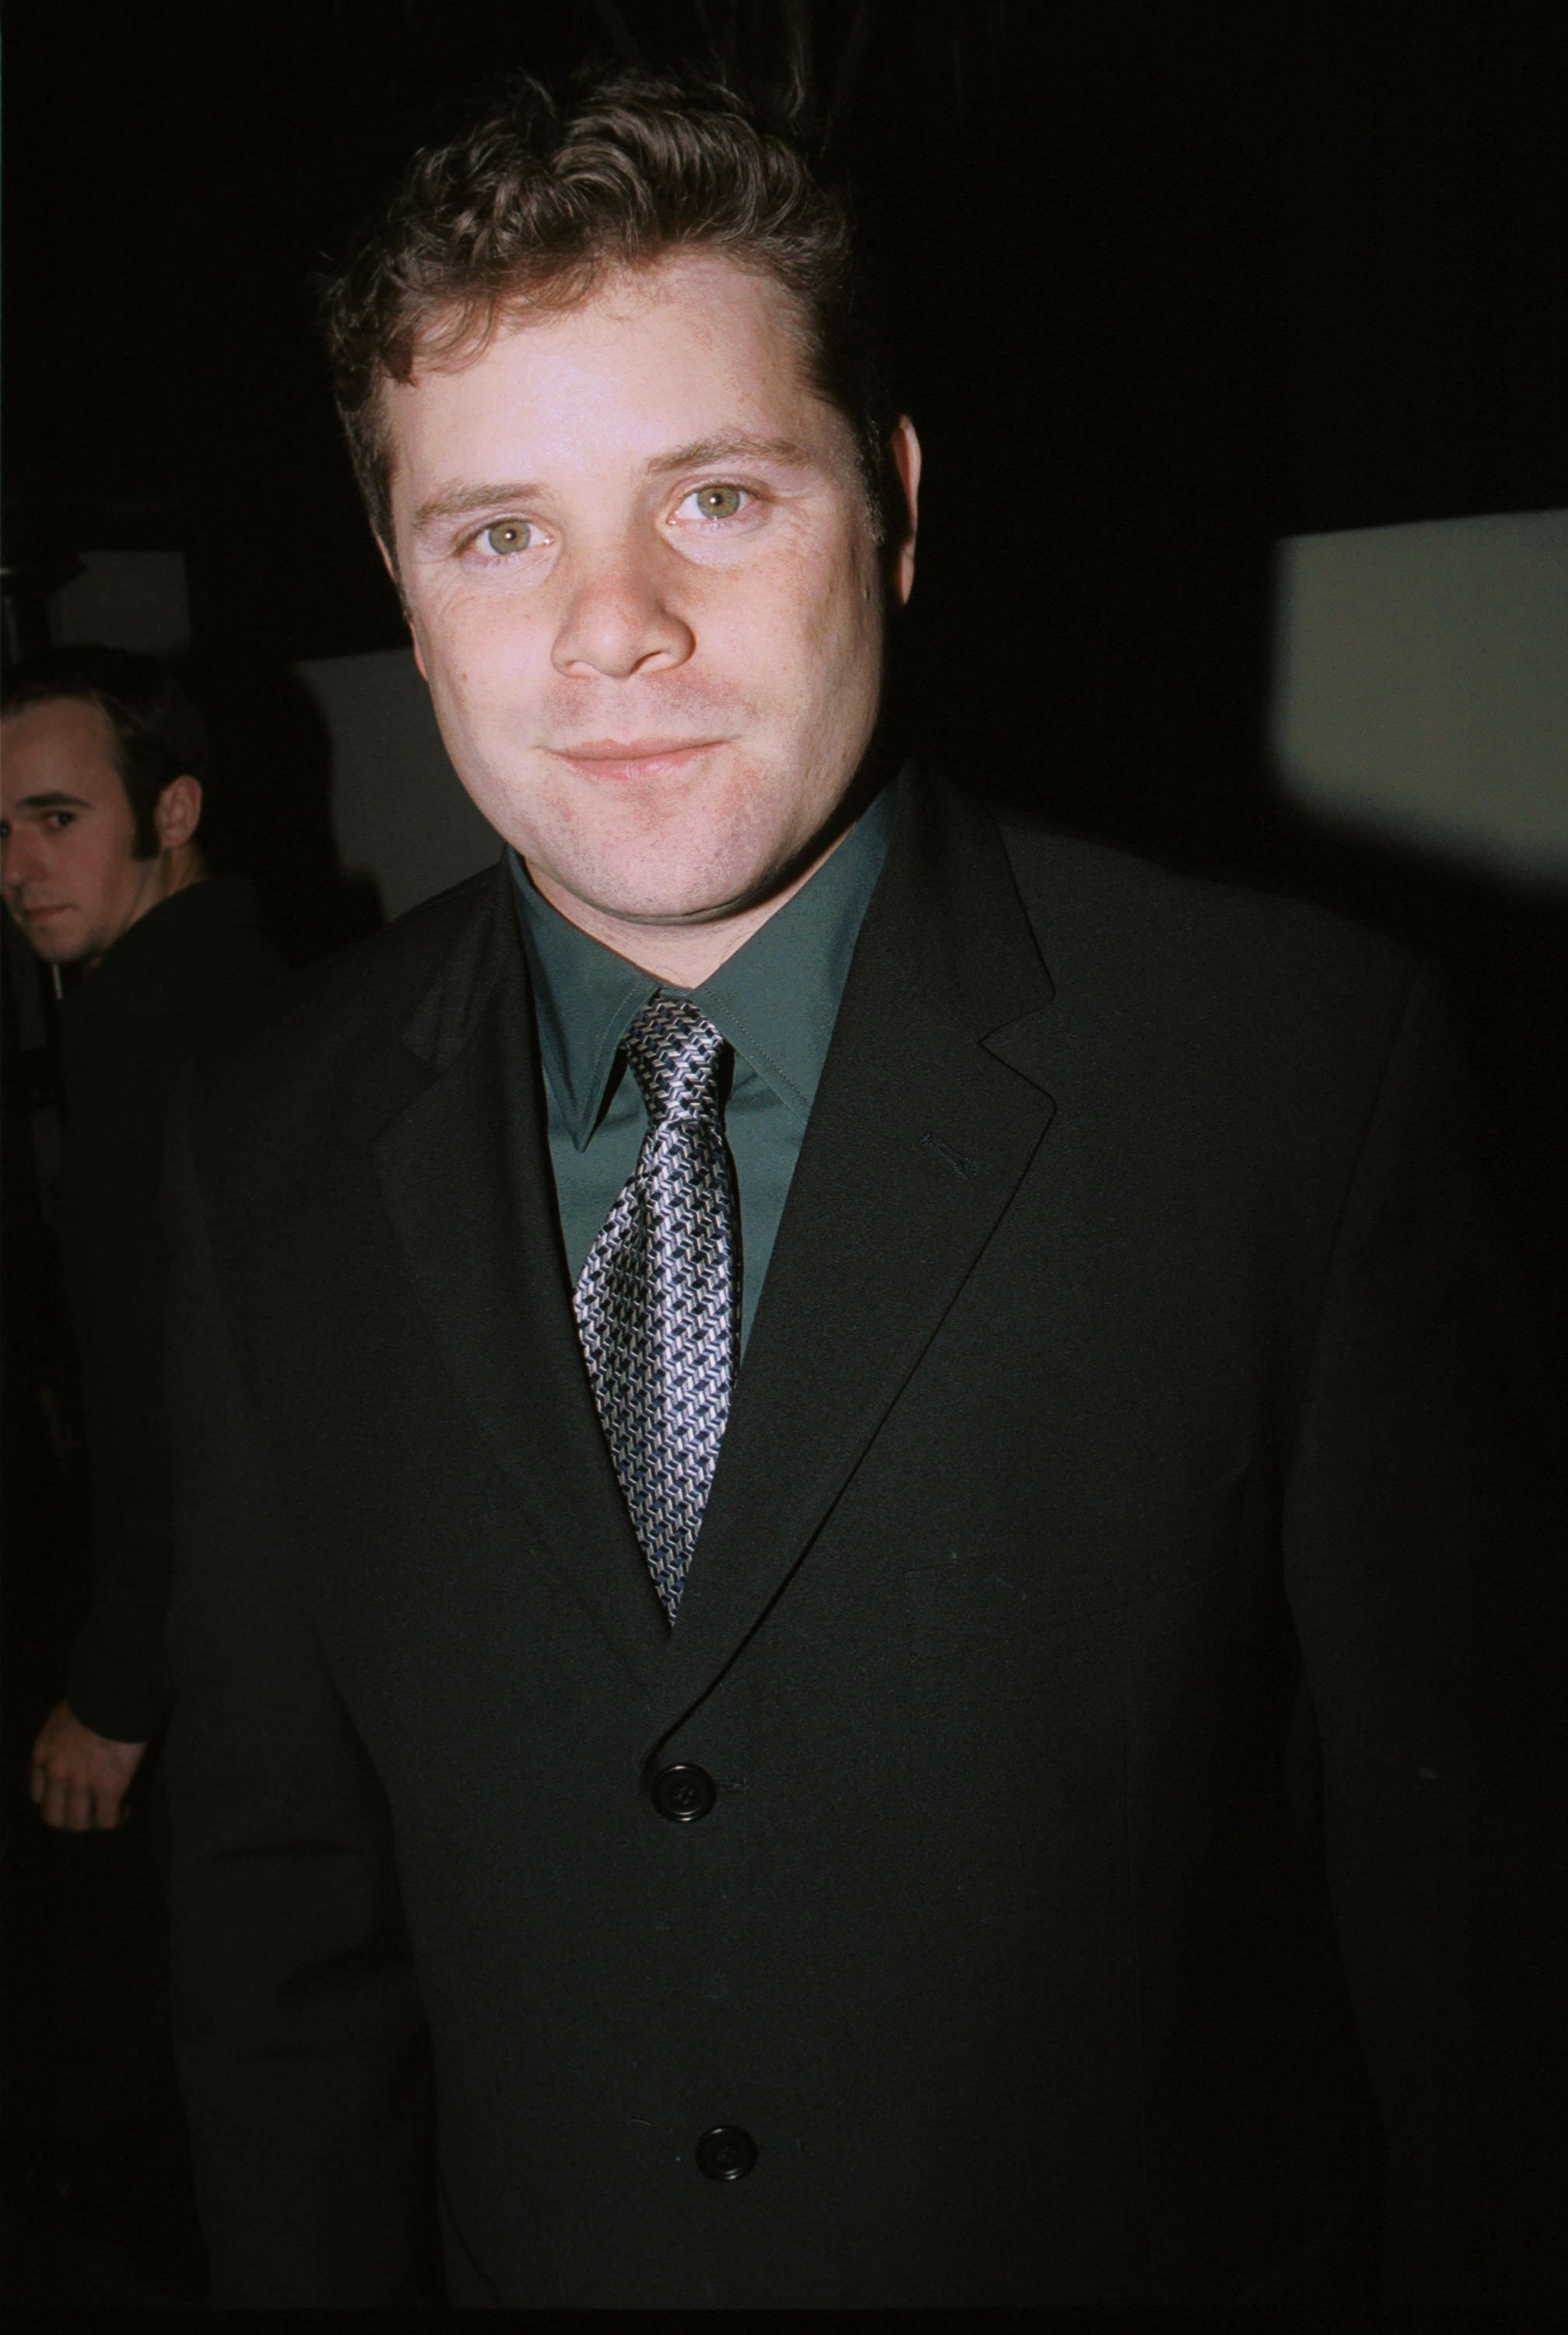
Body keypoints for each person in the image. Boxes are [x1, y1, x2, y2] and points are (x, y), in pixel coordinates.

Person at [161, 69, 1508, 2309]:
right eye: (496, 532)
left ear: (887, 509)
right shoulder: (263, 1130)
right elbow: (277, 1906)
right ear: (405, 593)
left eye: (712, 496)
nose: (612, 628)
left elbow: (1478, 1926)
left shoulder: (1299, 1073)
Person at [1, 647, 279, 1830]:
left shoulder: (152, 1035)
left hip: (241, 1641)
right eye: (2, 829)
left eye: (56, 818)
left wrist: (116, 1688)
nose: (17, 870)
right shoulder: (252, 978)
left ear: (173, 810)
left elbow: (171, 1393)